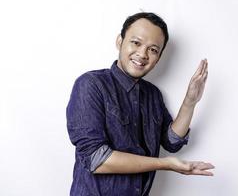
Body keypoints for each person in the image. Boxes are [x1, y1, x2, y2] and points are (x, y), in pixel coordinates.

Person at [66, 12, 214, 196]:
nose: (143, 54)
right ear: (120, 41)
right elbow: (96, 159)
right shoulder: (91, 85)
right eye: (136, 43)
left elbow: (171, 142)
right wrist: (165, 164)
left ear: (159, 57)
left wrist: (190, 102)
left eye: (153, 50)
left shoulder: (153, 95)